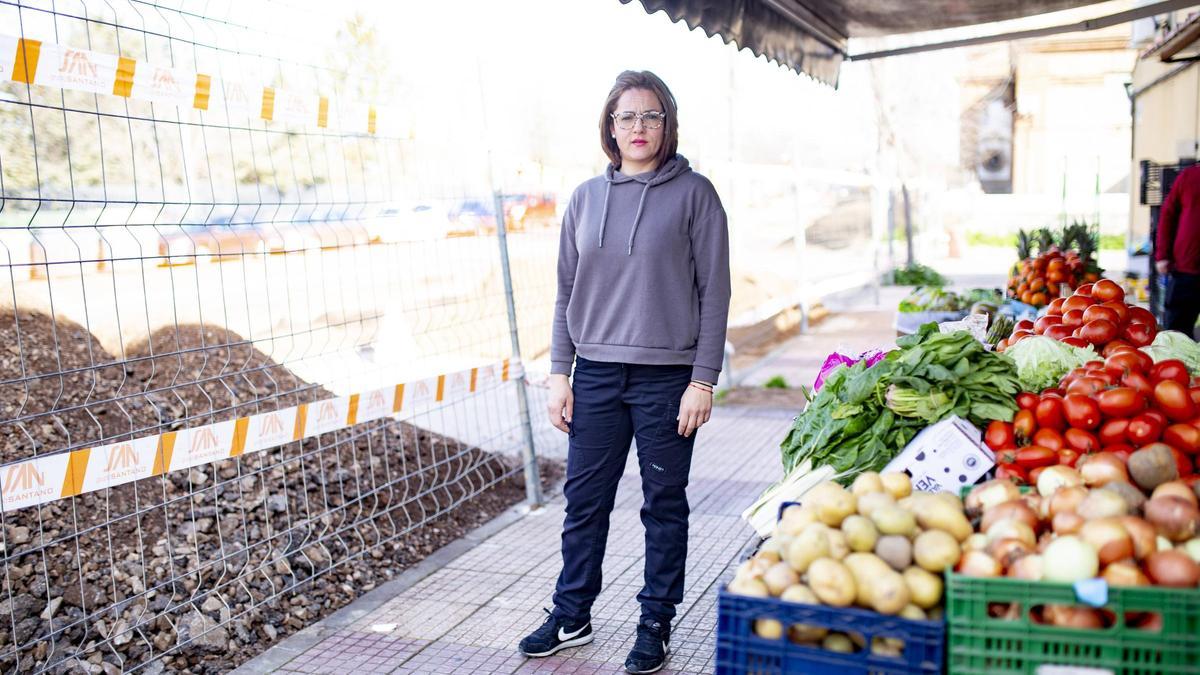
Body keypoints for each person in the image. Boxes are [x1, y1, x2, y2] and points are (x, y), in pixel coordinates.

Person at [518, 70, 730, 674]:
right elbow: (565, 290)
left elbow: (715, 293)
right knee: (584, 502)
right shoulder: (585, 198)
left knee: (664, 503)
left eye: (652, 116)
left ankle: (656, 620)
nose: (639, 128)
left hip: (668, 379)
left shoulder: (696, 195)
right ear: (610, 127)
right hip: (597, 376)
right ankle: (572, 613)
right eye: (627, 117)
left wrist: (703, 379)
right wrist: (561, 372)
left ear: (669, 125)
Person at [1156, 163, 1200, 338]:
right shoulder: (1189, 176)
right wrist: (1162, 255)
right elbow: (1168, 214)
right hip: (1186, 268)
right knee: (1177, 333)